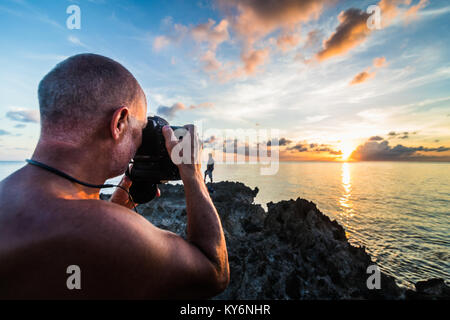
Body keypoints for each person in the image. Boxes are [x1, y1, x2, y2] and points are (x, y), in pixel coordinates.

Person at [0, 54, 229, 299]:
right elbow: (213, 271)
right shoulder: (103, 231)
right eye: (140, 130)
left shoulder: (10, 194)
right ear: (119, 122)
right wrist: (192, 174)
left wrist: (124, 194)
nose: (140, 142)